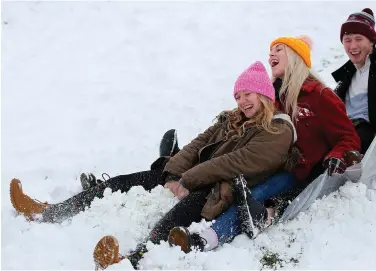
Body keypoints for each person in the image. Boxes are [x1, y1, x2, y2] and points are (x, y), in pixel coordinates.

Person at [10, 61, 296, 270]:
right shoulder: (231, 120)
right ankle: (49, 212)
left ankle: (128, 263)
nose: (242, 101)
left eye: (248, 94)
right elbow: (197, 144)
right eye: (238, 95)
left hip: (218, 192)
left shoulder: (277, 131)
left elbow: (237, 162)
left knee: (172, 220)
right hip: (193, 178)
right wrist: (172, 173)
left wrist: (187, 180)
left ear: (264, 95)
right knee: (121, 183)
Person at [166, 35, 362, 255]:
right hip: (266, 163)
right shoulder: (272, 98)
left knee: (257, 193)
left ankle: (205, 239)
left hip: (298, 171)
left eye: (279, 50)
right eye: (270, 51)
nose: (271, 54)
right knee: (227, 183)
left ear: (296, 57)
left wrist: (335, 156)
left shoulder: (320, 96)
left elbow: (348, 136)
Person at [332, 8, 376, 154]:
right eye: (347, 40)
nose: (353, 46)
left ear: (371, 42)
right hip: (343, 133)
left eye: (359, 39)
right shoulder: (347, 75)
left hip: (366, 135)